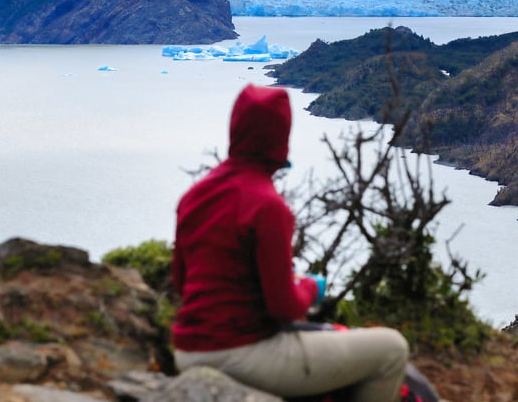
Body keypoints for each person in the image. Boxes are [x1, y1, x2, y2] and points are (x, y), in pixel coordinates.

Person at [172, 83, 410, 401]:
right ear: (280, 139)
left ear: (236, 129)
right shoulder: (267, 205)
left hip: (187, 351)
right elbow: (283, 307)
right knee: (392, 349)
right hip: (242, 354)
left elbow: (182, 282)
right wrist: (311, 287)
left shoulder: (195, 196)